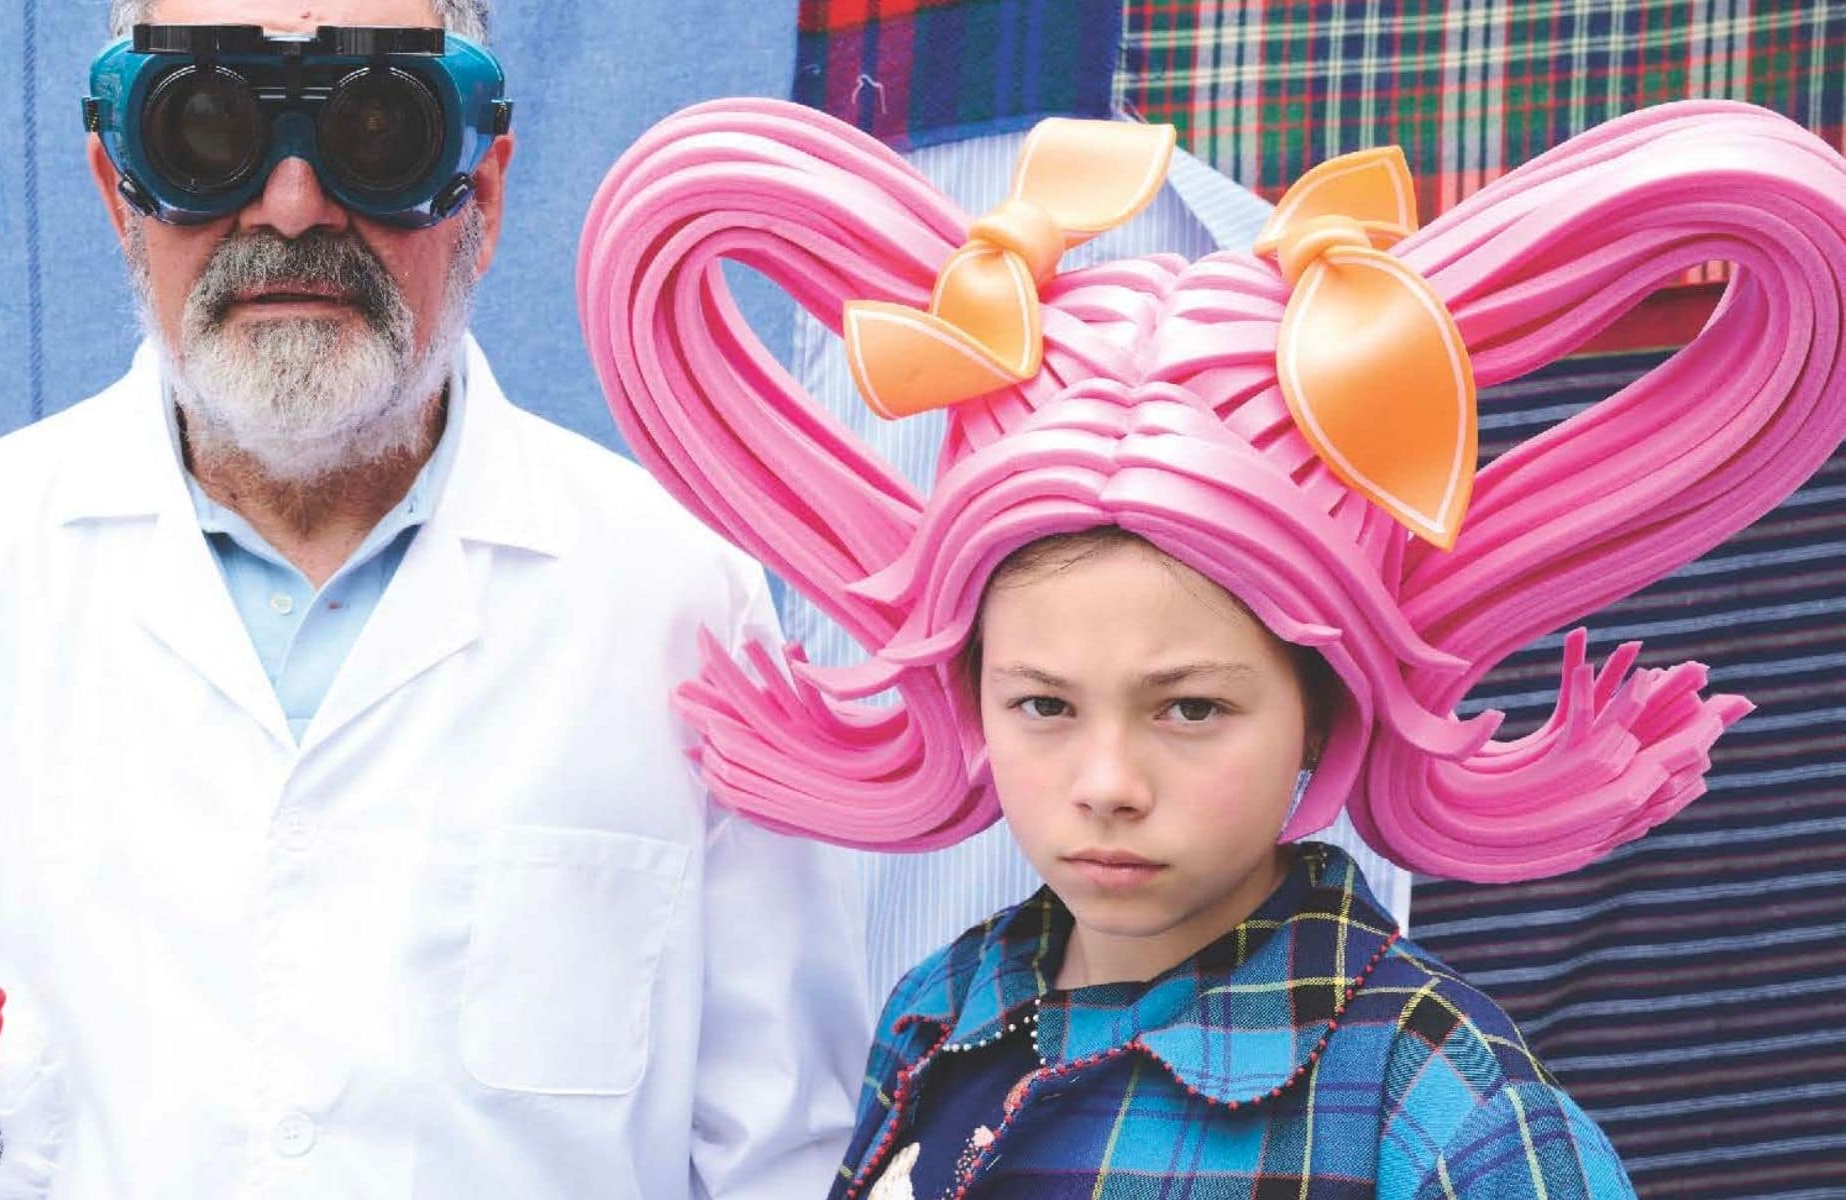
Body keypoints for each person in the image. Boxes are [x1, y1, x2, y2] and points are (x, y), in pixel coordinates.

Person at [579, 98, 1846, 1196]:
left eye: (1188, 709)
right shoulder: (937, 1016)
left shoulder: (1429, 1100)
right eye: (1041, 706)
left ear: (1323, 702)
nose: (1107, 781)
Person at [0, 0, 869, 1195]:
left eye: (379, 125)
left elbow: (788, 1146)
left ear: (481, 189)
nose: (293, 202)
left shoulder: (678, 606)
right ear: (119, 188)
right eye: (206, 126)